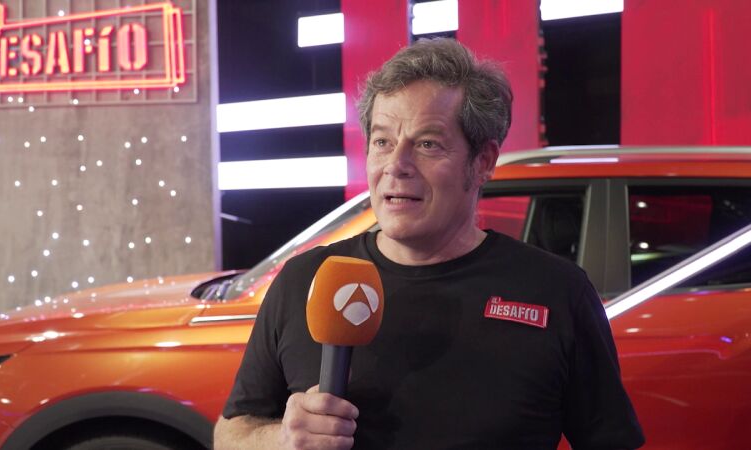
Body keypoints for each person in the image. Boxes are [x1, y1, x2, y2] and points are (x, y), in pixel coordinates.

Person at [214, 38, 644, 449]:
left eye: (427, 144)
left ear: (483, 161)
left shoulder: (558, 291)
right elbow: (231, 433)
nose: (396, 165)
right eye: (382, 141)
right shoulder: (305, 279)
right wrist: (281, 440)